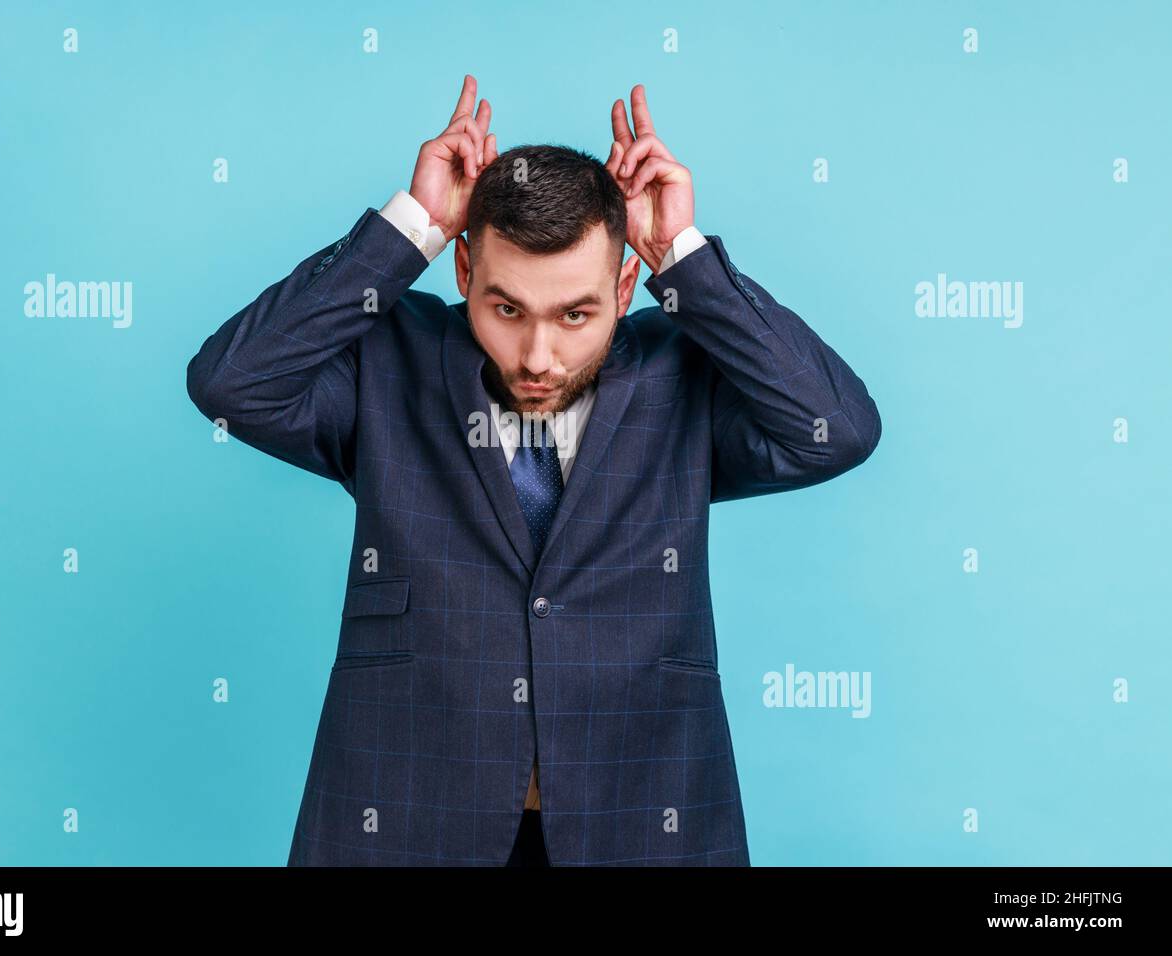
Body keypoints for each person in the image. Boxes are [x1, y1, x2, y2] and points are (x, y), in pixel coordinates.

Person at [185, 74, 882, 866]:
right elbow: (230, 385)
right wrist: (411, 228)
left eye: (575, 314)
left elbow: (839, 431)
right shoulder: (389, 363)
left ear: (625, 287)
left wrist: (681, 258)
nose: (538, 358)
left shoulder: (680, 375)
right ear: (463, 276)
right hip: (406, 821)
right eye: (506, 308)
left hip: (641, 819)